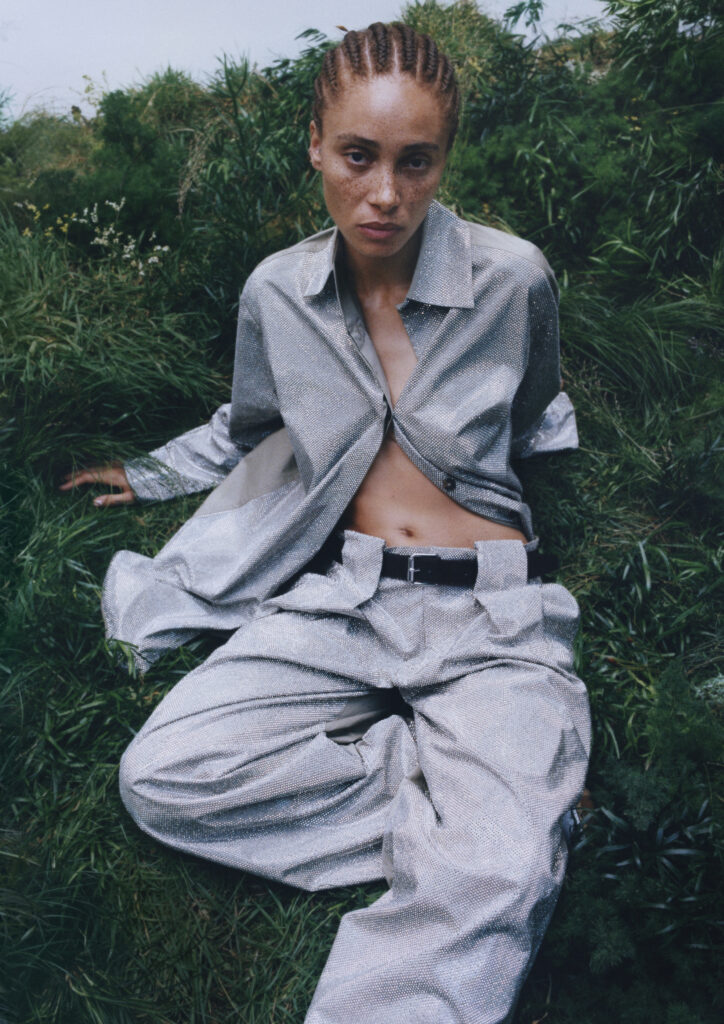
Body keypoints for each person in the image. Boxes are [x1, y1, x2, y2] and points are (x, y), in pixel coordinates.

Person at [61, 22, 590, 1024]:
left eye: (414, 161)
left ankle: (496, 824)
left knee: (490, 877)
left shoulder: (514, 278)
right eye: (357, 156)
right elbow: (252, 424)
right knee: (163, 778)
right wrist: (152, 473)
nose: (384, 193)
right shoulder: (278, 292)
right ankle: (485, 808)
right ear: (314, 145)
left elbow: (530, 405)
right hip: (341, 594)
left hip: (490, 613)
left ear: (443, 160)